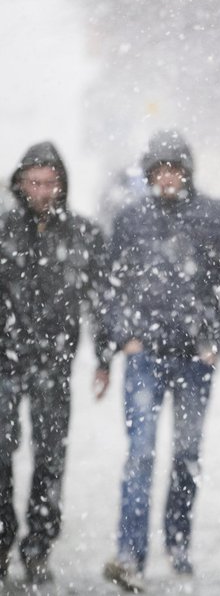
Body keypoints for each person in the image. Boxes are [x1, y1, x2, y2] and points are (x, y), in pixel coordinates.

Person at [102, 130, 220, 592]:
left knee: (186, 454)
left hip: (194, 356)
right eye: (160, 168)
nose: (167, 176)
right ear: (149, 173)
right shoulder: (131, 219)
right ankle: (130, 554)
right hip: (145, 355)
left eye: (175, 168)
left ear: (187, 171)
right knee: (142, 454)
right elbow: (109, 283)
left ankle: (178, 541)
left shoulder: (215, 215)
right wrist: (121, 335)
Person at [0, 141, 113, 584]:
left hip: (55, 362)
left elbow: (100, 302)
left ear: (62, 184)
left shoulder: (82, 234)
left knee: (50, 458)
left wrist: (103, 358)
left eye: (50, 183)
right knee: (1, 455)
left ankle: (39, 547)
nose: (42, 191)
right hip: (4, 361)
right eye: (34, 182)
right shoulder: (4, 231)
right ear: (20, 183)